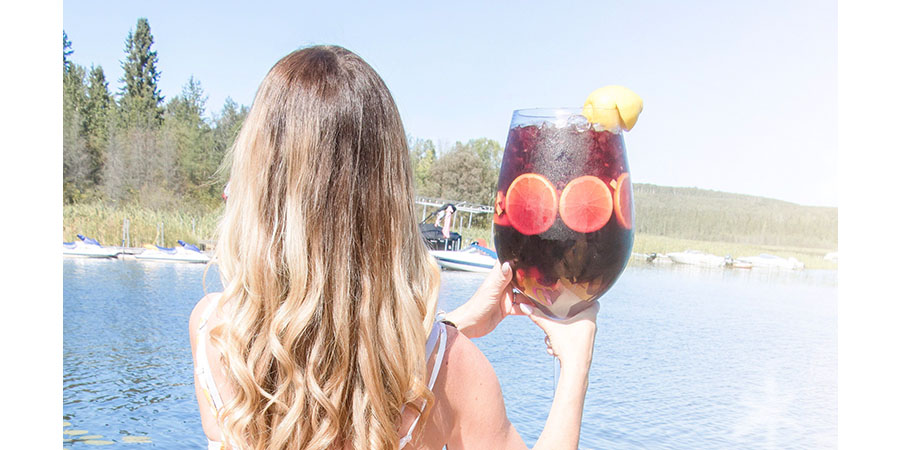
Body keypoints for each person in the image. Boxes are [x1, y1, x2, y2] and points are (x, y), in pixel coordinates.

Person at [189, 45, 599, 450]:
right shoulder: (455, 375)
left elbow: (330, 361)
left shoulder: (214, 331)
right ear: (390, 199)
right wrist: (575, 365)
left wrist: (452, 327)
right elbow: (382, 372)